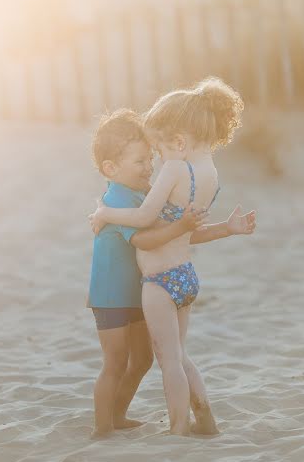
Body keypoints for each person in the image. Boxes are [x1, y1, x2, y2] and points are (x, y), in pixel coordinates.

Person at [89, 77, 256, 436]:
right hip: (185, 275)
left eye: (159, 152)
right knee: (180, 356)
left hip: (159, 282)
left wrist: (105, 214)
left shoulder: (175, 169)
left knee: (169, 363)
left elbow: (146, 225)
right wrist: (228, 227)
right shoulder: (209, 174)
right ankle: (206, 419)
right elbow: (189, 229)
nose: (156, 162)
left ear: (178, 142)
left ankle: (178, 427)